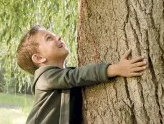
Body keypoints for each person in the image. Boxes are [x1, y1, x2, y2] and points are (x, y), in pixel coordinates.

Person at [16, 25, 147, 124]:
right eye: (49, 38)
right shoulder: (44, 78)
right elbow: (77, 76)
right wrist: (117, 69)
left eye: (54, 34)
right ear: (39, 58)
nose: (58, 37)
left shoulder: (60, 76)